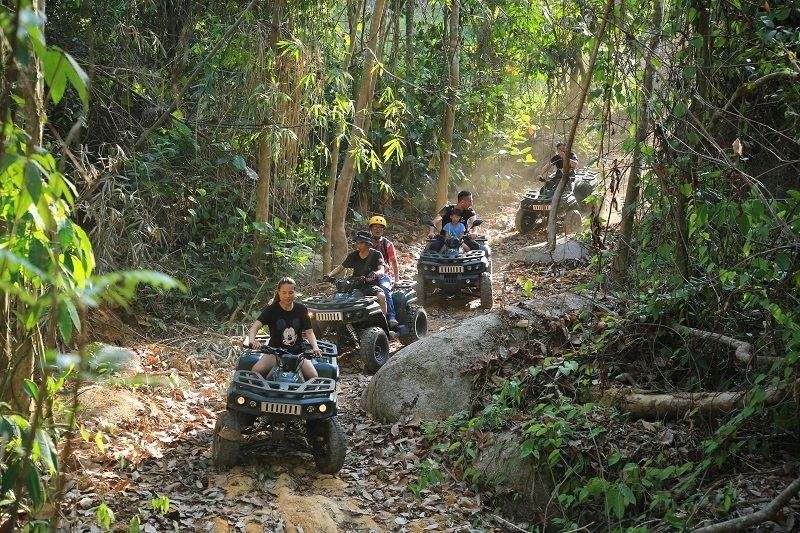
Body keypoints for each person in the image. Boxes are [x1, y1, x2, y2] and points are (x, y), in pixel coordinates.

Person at [247, 277, 321, 380]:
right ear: (279, 292)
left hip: (298, 353)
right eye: (284, 292)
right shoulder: (272, 310)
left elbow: (309, 332)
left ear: (294, 292)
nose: (287, 296)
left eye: (290, 293)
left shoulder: (301, 309)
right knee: (255, 371)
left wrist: (315, 347)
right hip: (275, 352)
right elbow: (255, 326)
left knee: (313, 376)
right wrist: (252, 341)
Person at [325, 230, 392, 325]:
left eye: (361, 243)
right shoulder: (354, 255)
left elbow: (382, 270)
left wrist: (374, 274)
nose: (358, 245)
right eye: (357, 243)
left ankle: (384, 323)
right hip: (354, 285)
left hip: (369, 285)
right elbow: (340, 267)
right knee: (331, 298)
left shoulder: (376, 255)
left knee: (381, 296)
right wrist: (329, 275)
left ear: (368, 243)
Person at [367, 215, 399, 328]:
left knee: (384, 289)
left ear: (383, 230)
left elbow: (394, 262)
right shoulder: (365, 243)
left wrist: (396, 280)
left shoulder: (387, 244)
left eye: (380, 227)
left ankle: (391, 317)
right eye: (375, 227)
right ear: (371, 228)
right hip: (367, 275)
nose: (377, 229)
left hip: (383, 276)